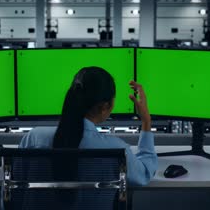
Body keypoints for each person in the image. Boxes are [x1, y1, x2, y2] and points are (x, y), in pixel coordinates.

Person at [19, 66, 158, 186]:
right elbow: (144, 174)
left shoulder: (33, 138)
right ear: (105, 106)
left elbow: (12, 190)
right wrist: (146, 121)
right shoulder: (116, 150)